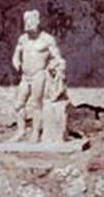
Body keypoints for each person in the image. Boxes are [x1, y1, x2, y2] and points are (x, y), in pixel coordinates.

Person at [12, 9, 66, 142]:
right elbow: (16, 54)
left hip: (39, 74)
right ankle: (21, 131)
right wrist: (16, 61)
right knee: (18, 104)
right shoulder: (23, 39)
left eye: (31, 21)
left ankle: (35, 132)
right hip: (25, 76)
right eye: (26, 22)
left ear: (37, 22)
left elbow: (57, 57)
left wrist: (57, 65)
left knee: (37, 104)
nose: (28, 24)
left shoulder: (47, 39)